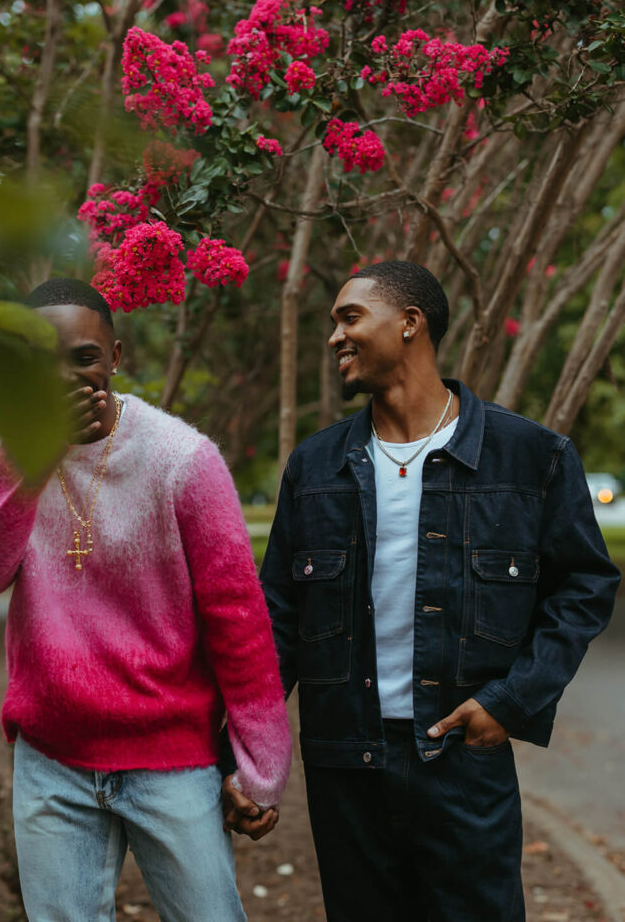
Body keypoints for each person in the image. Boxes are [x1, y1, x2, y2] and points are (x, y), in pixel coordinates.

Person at [261, 260, 620, 922]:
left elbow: (583, 586)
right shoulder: (316, 467)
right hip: (347, 764)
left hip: (461, 760)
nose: (335, 338)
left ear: (408, 323)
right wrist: (249, 755)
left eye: (349, 318)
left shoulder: (528, 457)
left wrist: (510, 702)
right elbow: (278, 615)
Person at [0, 277, 291, 922]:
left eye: (85, 357)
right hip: (51, 758)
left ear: (116, 357)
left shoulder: (183, 459)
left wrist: (259, 766)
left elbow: (238, 621)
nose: (68, 377)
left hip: (173, 759)